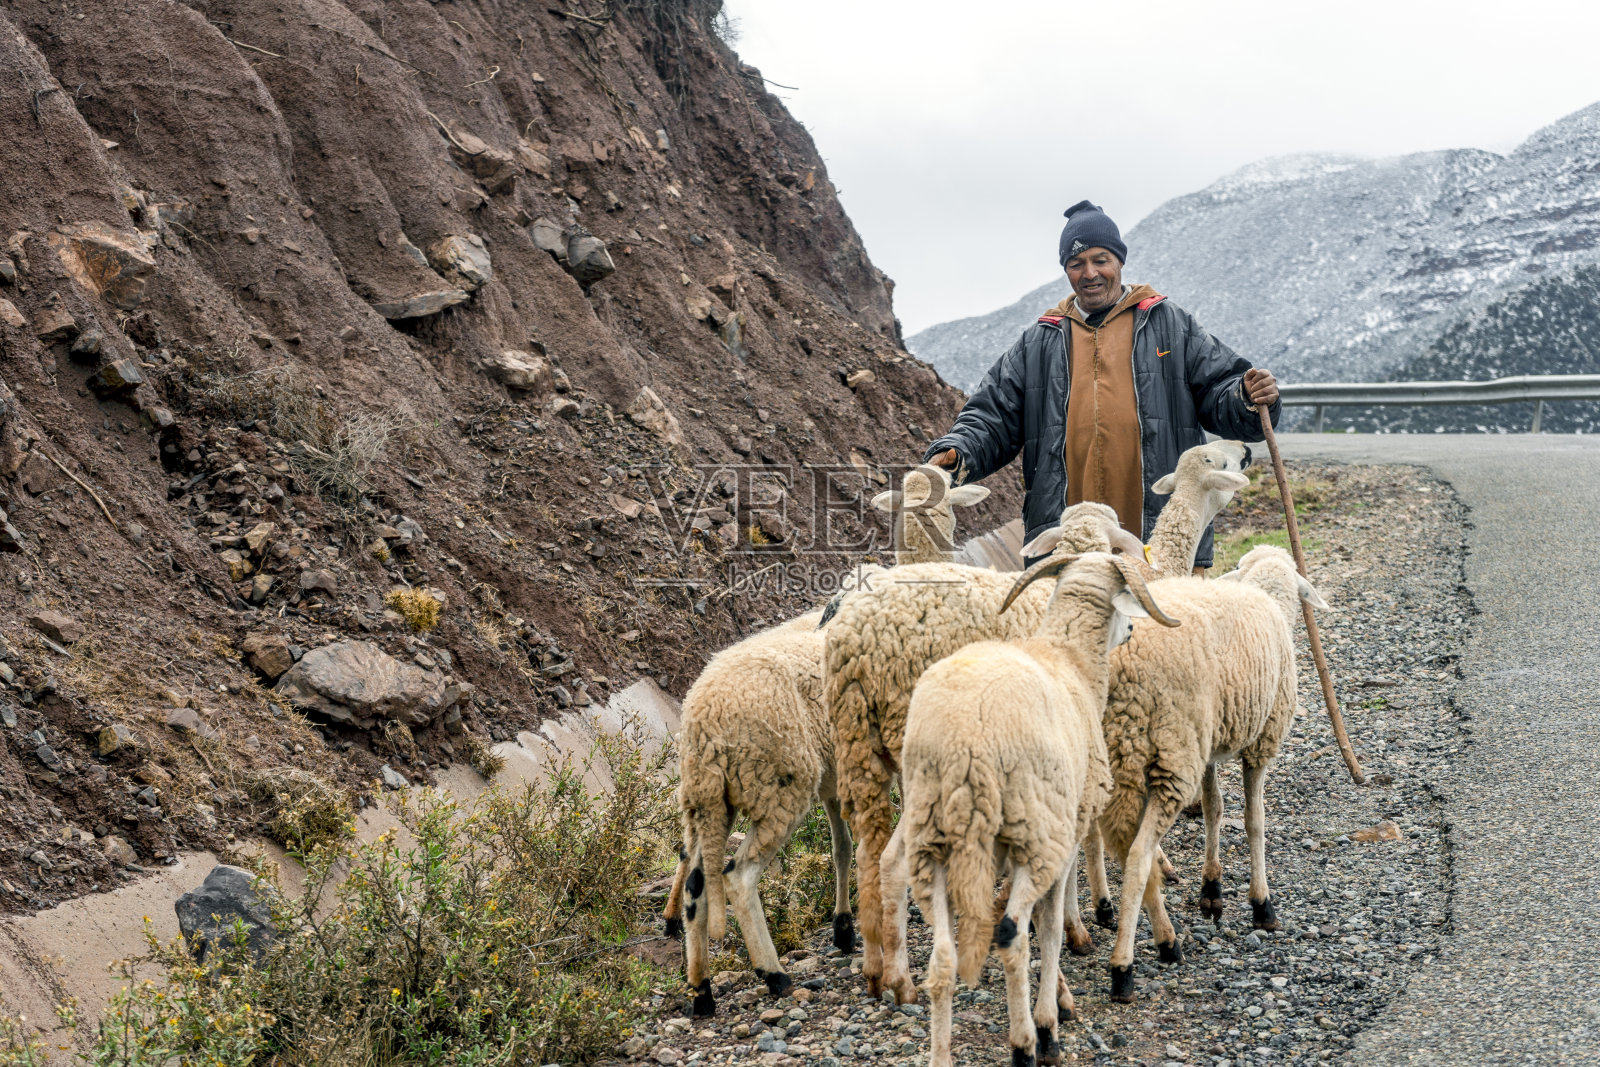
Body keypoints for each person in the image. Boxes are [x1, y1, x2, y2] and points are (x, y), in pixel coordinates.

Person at [924, 200, 1281, 571]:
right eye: (1076, 263)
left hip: (1159, 537)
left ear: (1119, 261)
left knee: (1166, 610)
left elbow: (1221, 389)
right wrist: (957, 453)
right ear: (1066, 270)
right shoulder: (1039, 342)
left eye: (1100, 260)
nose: (1089, 273)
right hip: (1066, 543)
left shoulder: (1169, 325)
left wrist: (1246, 396)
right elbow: (992, 415)